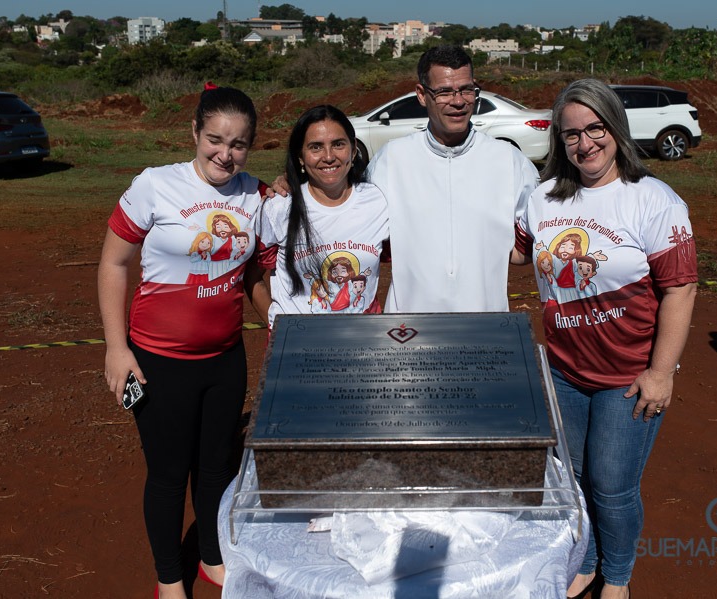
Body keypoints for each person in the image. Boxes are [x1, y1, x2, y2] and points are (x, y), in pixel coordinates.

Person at [512, 79, 698, 598]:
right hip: (565, 374)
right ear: (559, 140)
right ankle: (589, 560)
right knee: (574, 480)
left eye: (596, 128)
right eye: (572, 133)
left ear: (615, 127)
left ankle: (618, 578)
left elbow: (680, 289)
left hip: (628, 378)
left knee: (612, 488)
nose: (585, 143)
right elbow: (513, 252)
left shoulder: (654, 200)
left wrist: (660, 374)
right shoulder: (542, 198)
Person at [97, 85, 271, 599]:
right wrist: (116, 348)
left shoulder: (256, 195)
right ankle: (169, 577)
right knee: (169, 474)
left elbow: (254, 274)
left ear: (250, 144)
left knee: (217, 465)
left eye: (238, 143)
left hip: (224, 359)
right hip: (157, 361)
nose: (225, 153)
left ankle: (213, 559)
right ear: (195, 133)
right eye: (215, 139)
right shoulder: (155, 185)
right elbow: (113, 263)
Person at [366, 45, 539, 313]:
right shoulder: (391, 160)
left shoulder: (509, 161)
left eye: (467, 90)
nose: (458, 102)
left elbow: (540, 234)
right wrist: (288, 188)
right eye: (445, 92)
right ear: (422, 95)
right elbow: (347, 216)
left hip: (485, 329)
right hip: (409, 332)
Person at [259, 104, 388, 328]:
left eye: (338, 144)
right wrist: (276, 325)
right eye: (316, 147)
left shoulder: (378, 201)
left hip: (362, 342)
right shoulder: (279, 207)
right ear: (300, 156)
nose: (328, 157)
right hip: (299, 347)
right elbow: (251, 272)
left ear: (354, 148)